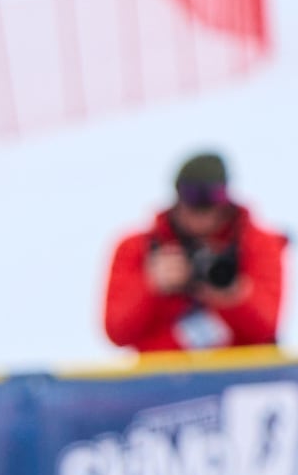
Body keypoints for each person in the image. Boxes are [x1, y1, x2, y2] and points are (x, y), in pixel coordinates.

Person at [100, 148, 285, 352]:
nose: (201, 219)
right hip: (161, 376)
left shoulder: (257, 244)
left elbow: (267, 328)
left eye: (210, 209)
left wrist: (234, 296)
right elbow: (117, 333)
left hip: (241, 375)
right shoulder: (137, 247)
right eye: (193, 207)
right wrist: (151, 287)